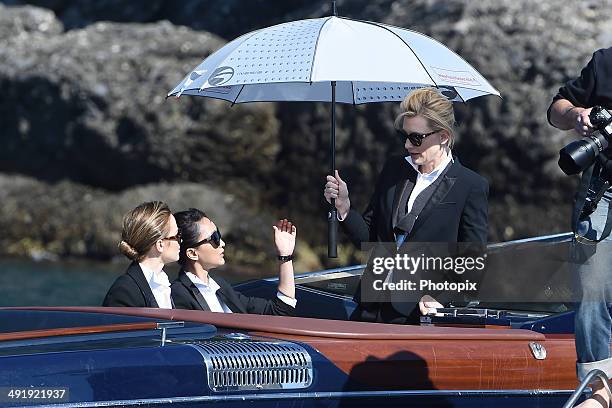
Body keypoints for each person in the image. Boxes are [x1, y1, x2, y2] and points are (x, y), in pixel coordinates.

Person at [324, 87, 488, 324]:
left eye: (416, 138)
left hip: (418, 315)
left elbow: (473, 261)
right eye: (405, 136)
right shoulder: (394, 169)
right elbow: (369, 238)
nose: (408, 146)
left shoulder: (470, 185)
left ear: (443, 136)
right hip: (369, 306)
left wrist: (439, 297)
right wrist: (345, 208)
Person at [548, 47, 612, 408]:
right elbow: (557, 107)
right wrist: (578, 115)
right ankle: (599, 390)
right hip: (603, 191)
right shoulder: (606, 61)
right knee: (591, 287)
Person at [171, 208, 297, 315]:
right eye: (214, 238)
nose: (222, 243)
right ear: (192, 253)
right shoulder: (179, 294)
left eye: (219, 234)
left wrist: (285, 256)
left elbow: (279, 311)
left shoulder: (220, 286)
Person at [103, 201, 180, 308]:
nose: (181, 241)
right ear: (160, 244)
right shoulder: (125, 291)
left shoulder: (163, 283)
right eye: (177, 236)